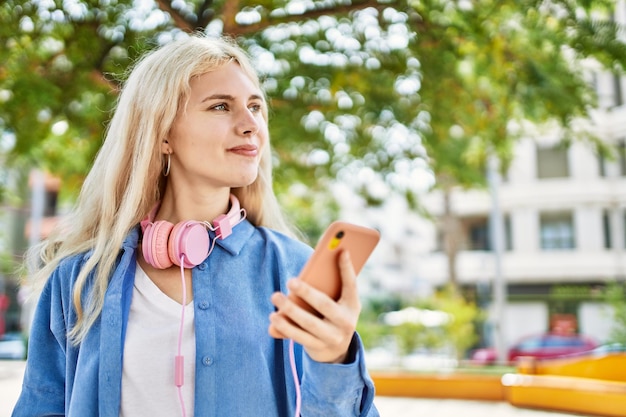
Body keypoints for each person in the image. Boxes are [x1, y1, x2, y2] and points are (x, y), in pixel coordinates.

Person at [11, 34, 379, 417]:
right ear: (163, 133)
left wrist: (335, 359)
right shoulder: (78, 279)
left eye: (255, 106)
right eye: (221, 106)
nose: (251, 123)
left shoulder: (295, 271)